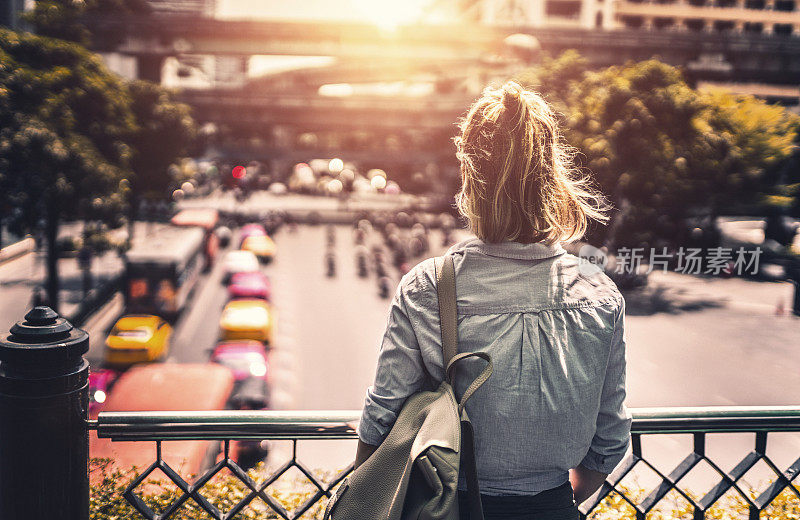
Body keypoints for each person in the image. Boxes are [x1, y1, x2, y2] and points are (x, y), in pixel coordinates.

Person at [354, 81, 631, 520]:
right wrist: (551, 502)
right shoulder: (597, 291)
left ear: (470, 177)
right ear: (553, 176)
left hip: (447, 506)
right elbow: (610, 439)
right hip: (554, 507)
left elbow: (382, 422)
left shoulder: (429, 287)